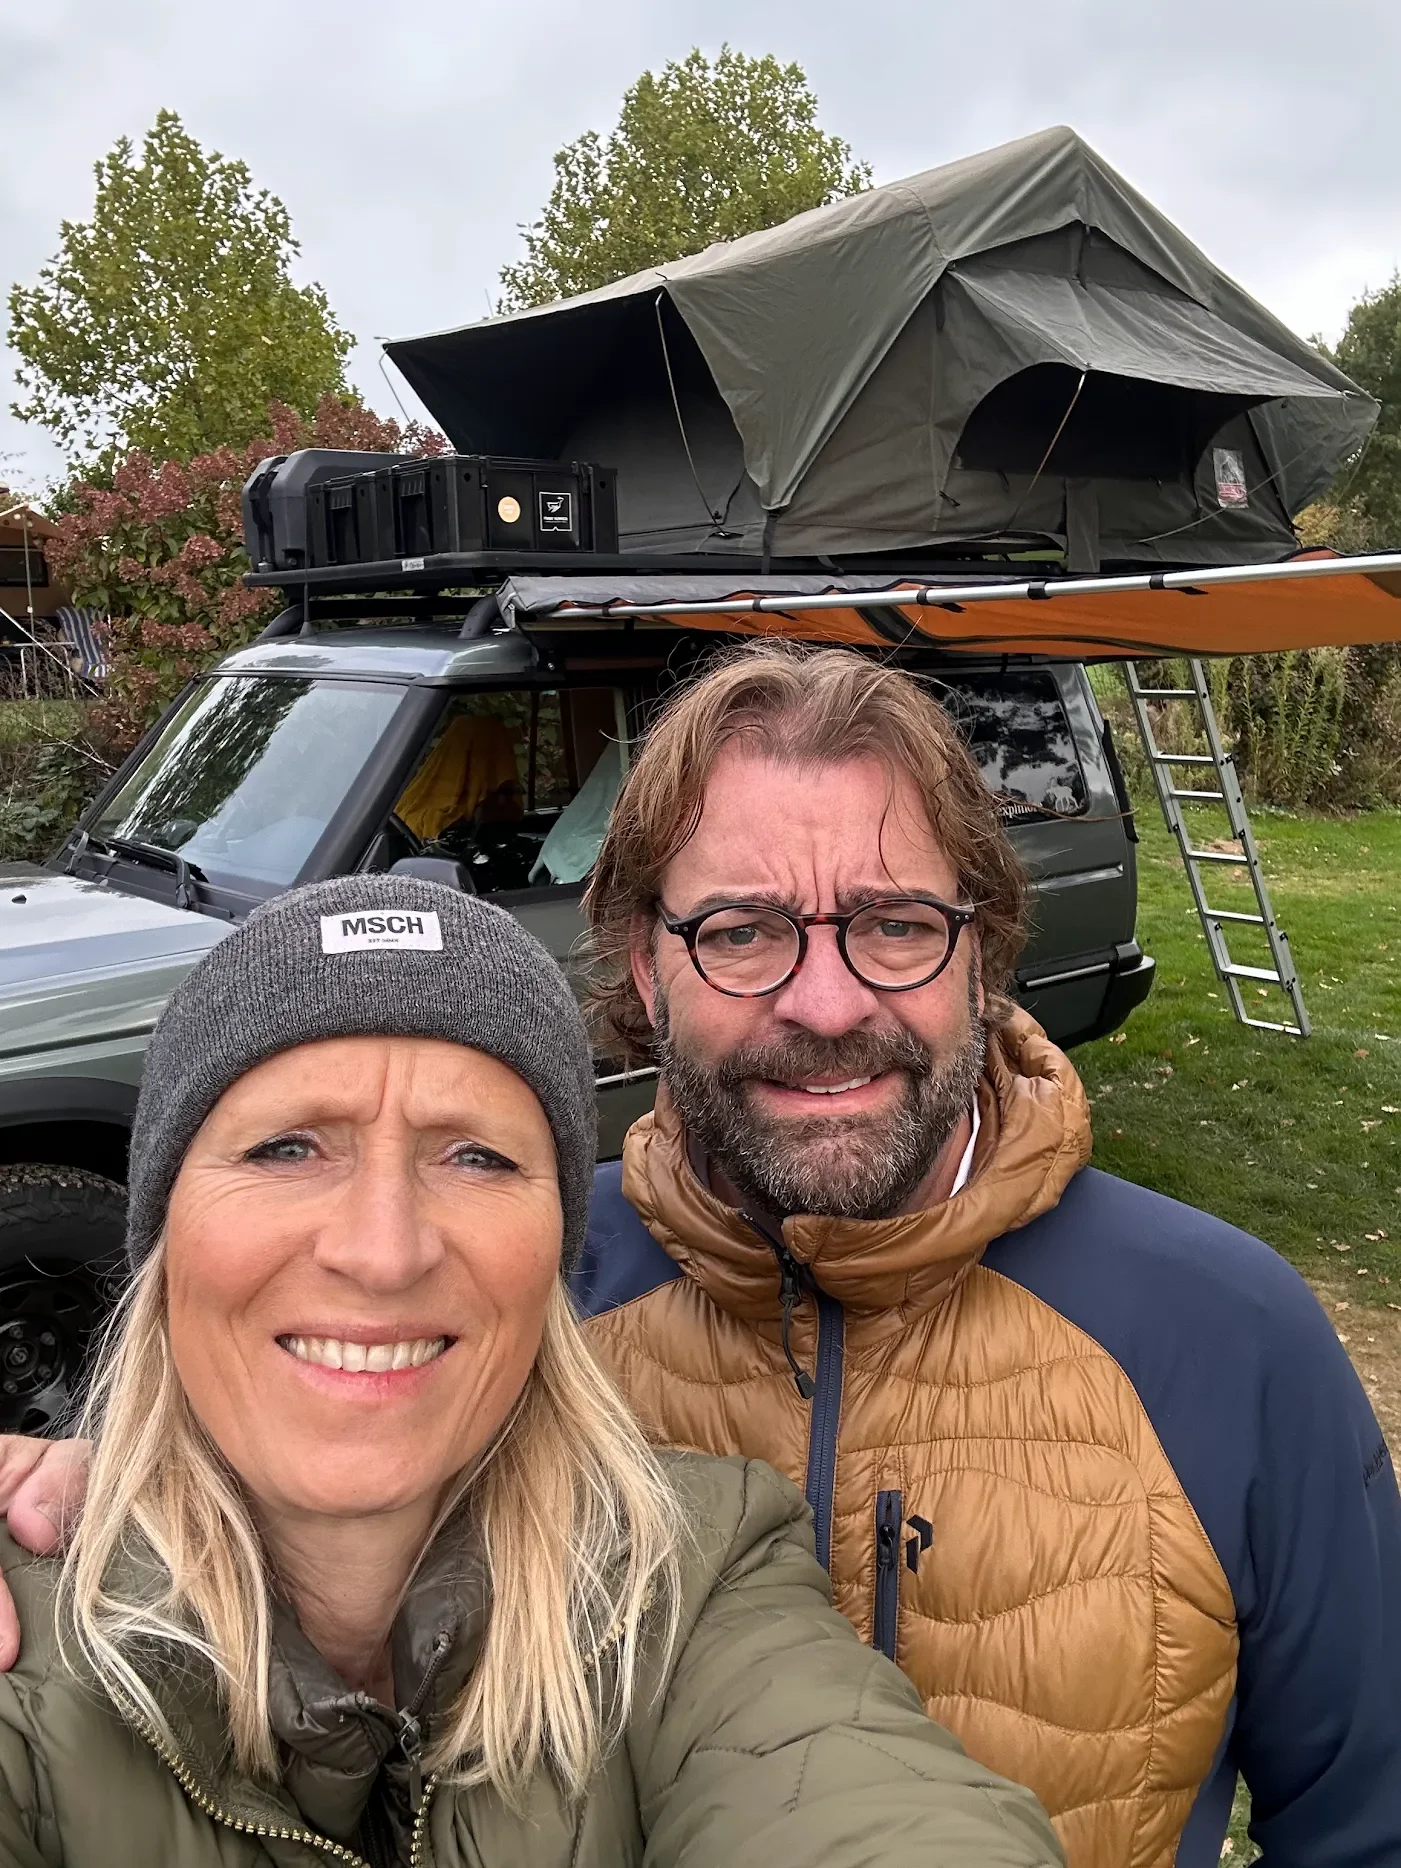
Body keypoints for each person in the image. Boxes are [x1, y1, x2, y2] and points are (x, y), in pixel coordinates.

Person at [3, 644, 1399, 1863]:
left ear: (984, 954)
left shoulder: (1230, 1339)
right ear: (644, 967)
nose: (827, 999)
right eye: (742, 932)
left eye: (897, 926)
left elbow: (1368, 1824)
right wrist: (99, 1498)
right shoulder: (514, 1295)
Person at [0, 873, 1062, 1868]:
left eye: (476, 1154)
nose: (383, 1249)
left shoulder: (691, 1579)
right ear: (167, 1229)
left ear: (552, 1250)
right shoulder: (24, 1652)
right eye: (287, 1147)